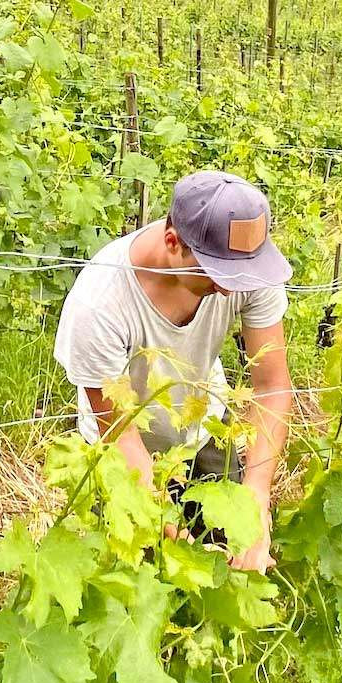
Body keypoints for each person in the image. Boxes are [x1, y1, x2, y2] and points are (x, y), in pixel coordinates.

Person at [53, 171, 294, 574]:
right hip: (121, 452)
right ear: (172, 242)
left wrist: (256, 496)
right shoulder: (99, 304)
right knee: (138, 577)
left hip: (203, 431)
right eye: (217, 273)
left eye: (240, 274)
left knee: (229, 569)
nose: (231, 288)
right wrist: (179, 545)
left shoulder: (246, 268)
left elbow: (272, 385)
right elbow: (120, 434)